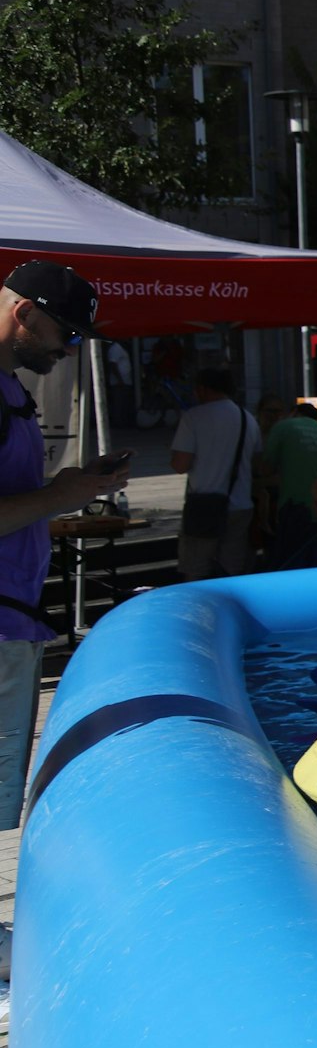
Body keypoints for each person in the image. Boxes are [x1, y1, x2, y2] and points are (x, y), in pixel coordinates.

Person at [0, 261, 128, 828]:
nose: (72, 350)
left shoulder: (12, 389)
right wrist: (59, 497)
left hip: (14, 622)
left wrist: (67, 488)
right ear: (22, 312)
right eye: (68, 333)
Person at [171, 367, 262, 581]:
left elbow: (180, 465)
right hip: (240, 505)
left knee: (196, 571)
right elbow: (257, 462)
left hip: (203, 506)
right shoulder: (247, 418)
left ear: (202, 389)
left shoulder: (193, 418)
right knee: (232, 572)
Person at [260, 401, 317, 569]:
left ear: (293, 413)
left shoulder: (282, 427)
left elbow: (265, 469)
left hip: (294, 506)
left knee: (291, 560)